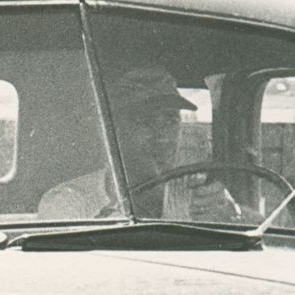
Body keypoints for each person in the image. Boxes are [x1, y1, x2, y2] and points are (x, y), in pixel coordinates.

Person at [38, 64, 252, 223]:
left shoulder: (196, 194)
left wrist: (232, 218)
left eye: (170, 121)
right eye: (146, 122)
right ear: (114, 132)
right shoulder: (69, 202)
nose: (164, 137)